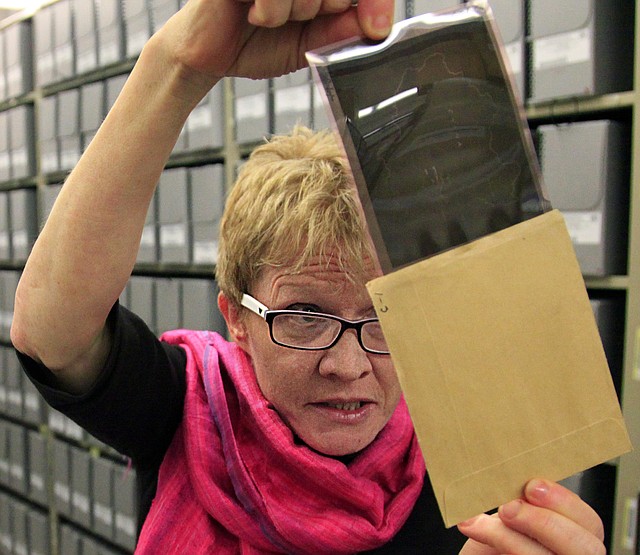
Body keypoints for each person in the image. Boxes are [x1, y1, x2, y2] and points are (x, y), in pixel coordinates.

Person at [11, 0, 606, 553]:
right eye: (304, 316)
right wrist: (181, 62)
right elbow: (53, 331)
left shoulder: (471, 467)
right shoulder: (189, 412)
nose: (348, 367)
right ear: (236, 318)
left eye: (385, 317)